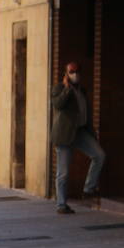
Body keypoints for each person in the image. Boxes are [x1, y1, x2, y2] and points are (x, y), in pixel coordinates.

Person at [51, 60, 105, 215]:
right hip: (64, 134)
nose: (75, 75)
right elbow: (58, 104)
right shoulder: (59, 88)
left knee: (99, 155)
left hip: (81, 132)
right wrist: (67, 89)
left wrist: (92, 134)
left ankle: (89, 188)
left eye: (77, 72)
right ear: (66, 74)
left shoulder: (82, 91)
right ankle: (61, 205)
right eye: (71, 72)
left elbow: (85, 115)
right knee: (63, 172)